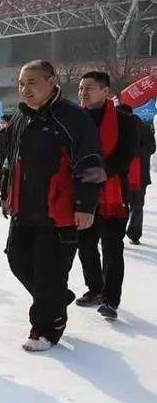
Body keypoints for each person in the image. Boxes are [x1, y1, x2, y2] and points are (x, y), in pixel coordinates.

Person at [0, 61, 105, 351]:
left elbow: (91, 164)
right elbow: (10, 161)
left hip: (57, 213)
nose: (25, 90)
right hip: (23, 208)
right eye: (21, 84)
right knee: (17, 261)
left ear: (52, 81)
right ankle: (56, 298)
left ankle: (47, 327)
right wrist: (7, 194)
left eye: (32, 82)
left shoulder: (73, 118)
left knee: (49, 271)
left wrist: (86, 205)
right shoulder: (22, 117)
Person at [73, 72, 137, 320]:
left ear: (105, 91)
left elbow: (125, 155)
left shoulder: (124, 121)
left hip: (113, 194)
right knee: (85, 244)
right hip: (83, 193)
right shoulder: (76, 119)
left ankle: (111, 298)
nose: (83, 93)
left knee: (112, 247)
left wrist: (101, 172)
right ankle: (95, 288)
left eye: (89, 88)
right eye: (80, 88)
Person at [127, 113, 155, 245]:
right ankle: (134, 234)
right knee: (137, 205)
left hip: (126, 174)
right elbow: (152, 148)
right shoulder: (145, 127)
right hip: (139, 175)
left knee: (123, 204)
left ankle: (124, 233)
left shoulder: (121, 127)